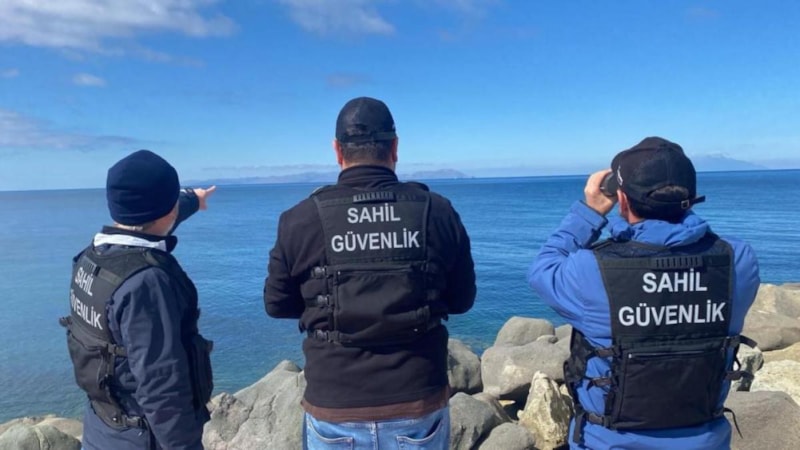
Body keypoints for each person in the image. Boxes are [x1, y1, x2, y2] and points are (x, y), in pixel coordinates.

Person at [264, 96, 476, 449]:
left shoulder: (298, 219)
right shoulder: (437, 211)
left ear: (337, 151)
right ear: (395, 148)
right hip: (417, 399)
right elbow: (462, 300)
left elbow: (277, 304)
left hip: (334, 404)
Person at [528, 137, 760, 449]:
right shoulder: (738, 262)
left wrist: (589, 212)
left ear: (622, 199)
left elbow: (543, 269)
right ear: (690, 199)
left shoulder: (591, 270)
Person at [61, 149, 216, 450]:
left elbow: (153, 218)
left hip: (102, 428)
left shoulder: (93, 258)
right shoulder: (147, 283)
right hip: (143, 438)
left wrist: (193, 200)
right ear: (168, 210)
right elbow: (162, 389)